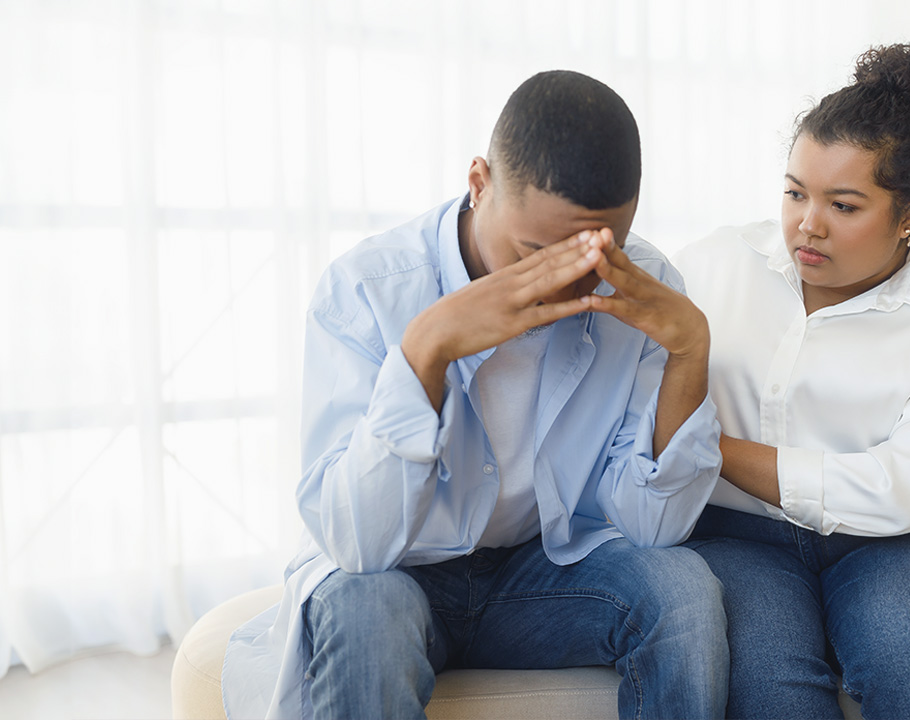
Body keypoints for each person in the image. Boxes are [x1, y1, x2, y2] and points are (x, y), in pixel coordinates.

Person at [222, 70, 729, 720]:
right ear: (479, 183)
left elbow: (653, 528)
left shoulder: (644, 289)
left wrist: (689, 355)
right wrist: (427, 351)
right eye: (534, 251)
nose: (566, 280)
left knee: (683, 593)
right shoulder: (368, 290)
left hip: (542, 570)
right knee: (364, 608)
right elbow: (359, 546)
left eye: (599, 253)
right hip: (398, 573)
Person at [675, 45, 910, 720]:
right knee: (769, 688)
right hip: (740, 535)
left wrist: (711, 449)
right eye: (795, 192)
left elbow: (905, 489)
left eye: (845, 205)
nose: (809, 224)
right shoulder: (714, 266)